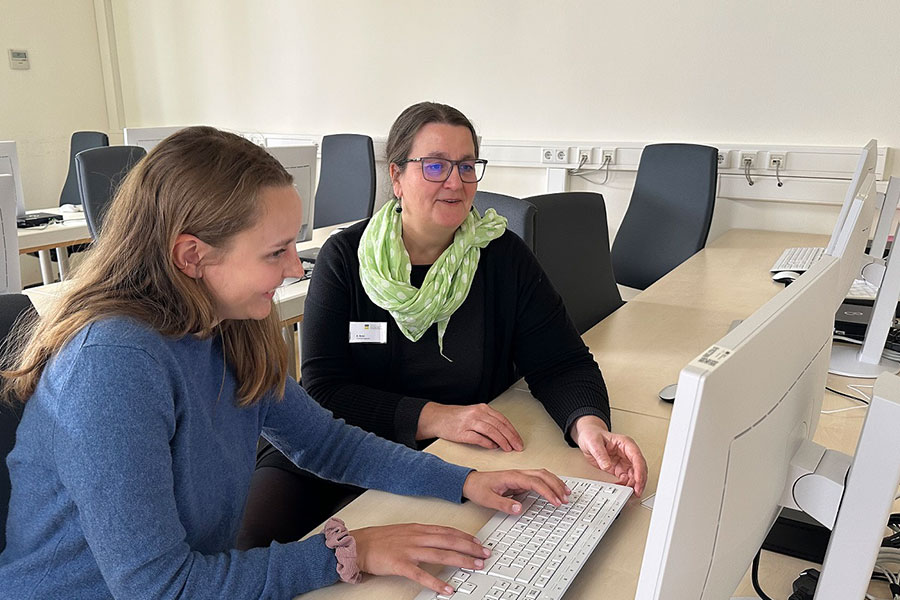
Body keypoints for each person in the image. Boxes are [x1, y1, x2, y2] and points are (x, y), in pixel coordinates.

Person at [0, 126, 573, 599]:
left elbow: (325, 443)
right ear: (192, 256)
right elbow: (161, 587)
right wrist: (350, 552)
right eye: (276, 252)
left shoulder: (227, 325)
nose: (296, 270)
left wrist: (464, 481)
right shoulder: (111, 367)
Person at [243, 102, 647, 547]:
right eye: (435, 166)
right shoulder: (345, 258)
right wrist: (433, 417)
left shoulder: (502, 257)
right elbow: (325, 392)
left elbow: (561, 361)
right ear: (396, 177)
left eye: (467, 166)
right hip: (330, 448)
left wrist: (588, 426)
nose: (455, 182)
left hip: (450, 459)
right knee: (247, 544)